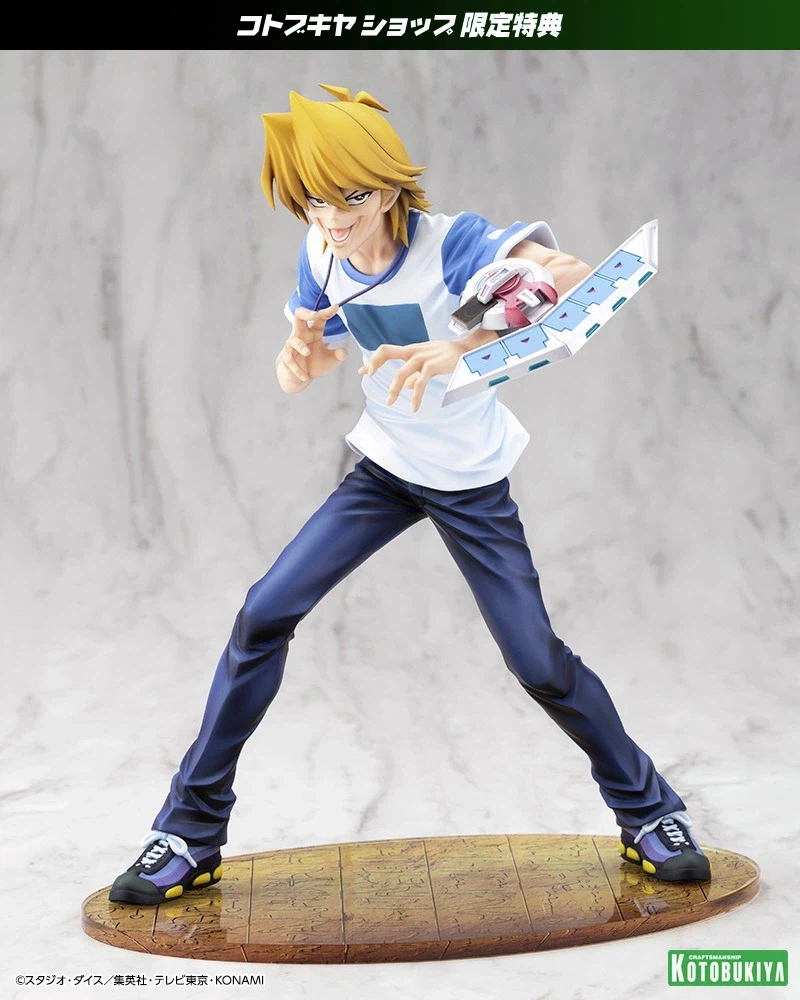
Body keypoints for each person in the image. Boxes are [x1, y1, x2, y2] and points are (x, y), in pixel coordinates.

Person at [109, 85, 710, 906]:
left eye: (351, 197)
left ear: (390, 187)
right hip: (387, 469)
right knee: (262, 614)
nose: (332, 217)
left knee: (537, 662)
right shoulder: (321, 252)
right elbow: (320, 345)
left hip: (468, 482)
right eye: (315, 199)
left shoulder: (451, 245)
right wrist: (302, 356)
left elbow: (571, 279)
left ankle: (650, 813)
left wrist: (469, 340)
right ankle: (189, 831)